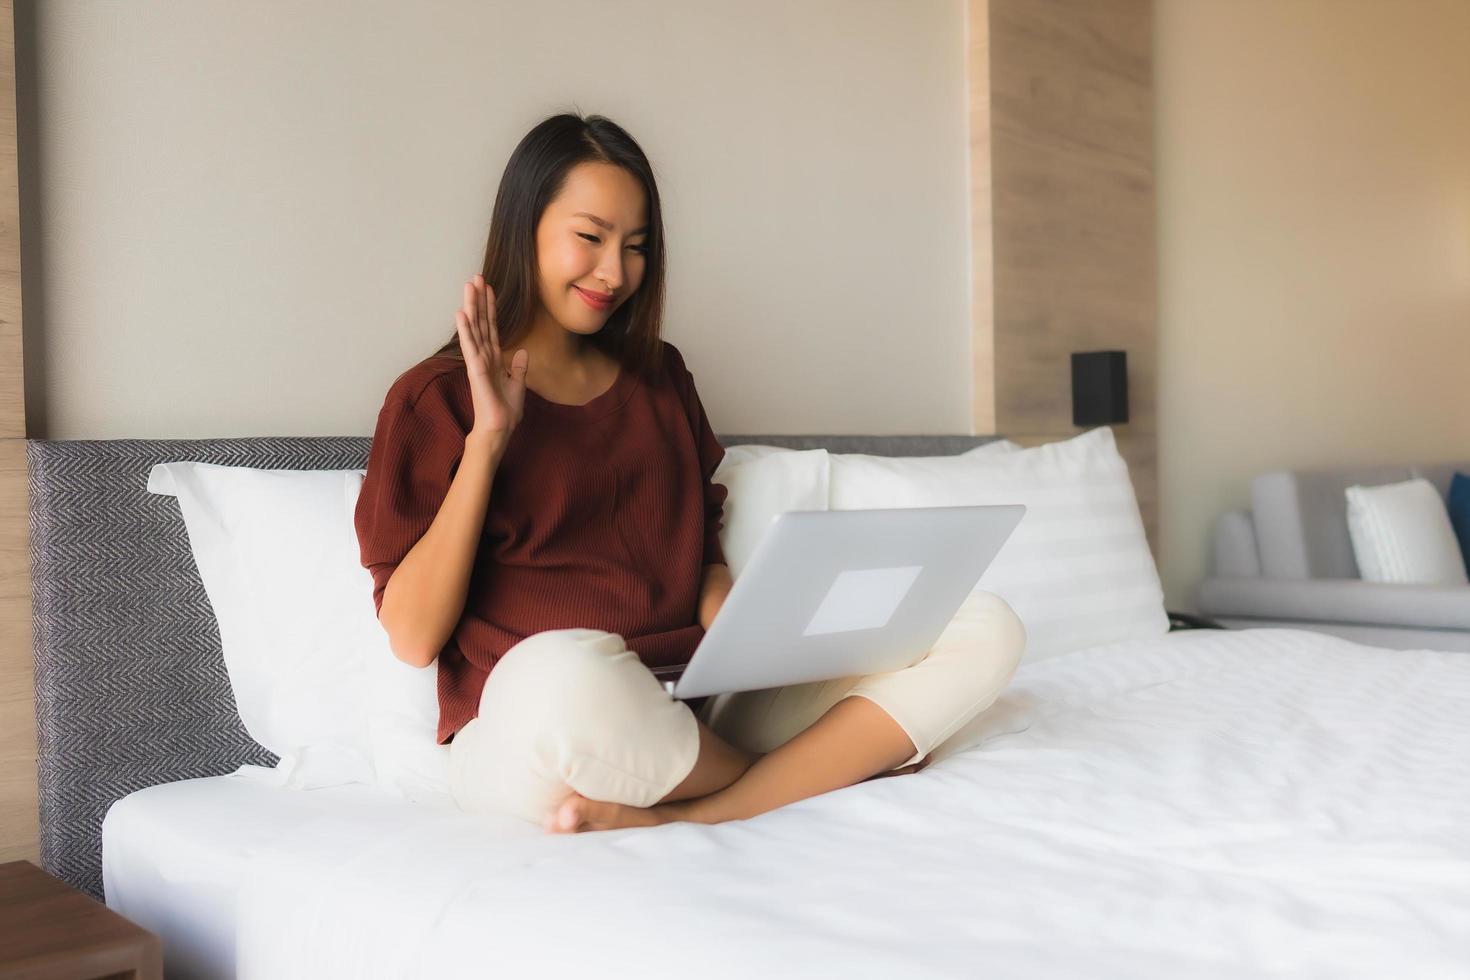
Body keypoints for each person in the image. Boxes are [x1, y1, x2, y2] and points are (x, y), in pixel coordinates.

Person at [354, 111, 1027, 835]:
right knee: (560, 672)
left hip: (690, 704)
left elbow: (698, 554)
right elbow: (414, 637)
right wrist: (489, 439)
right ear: (526, 227)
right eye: (590, 237)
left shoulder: (660, 379)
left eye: (636, 247)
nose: (615, 272)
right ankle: (821, 766)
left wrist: (754, 635)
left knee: (983, 624)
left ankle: (711, 807)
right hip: (536, 724)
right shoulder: (433, 399)